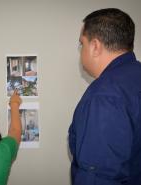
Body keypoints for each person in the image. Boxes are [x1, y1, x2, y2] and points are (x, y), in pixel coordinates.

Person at [69, 8, 141, 185]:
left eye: (82, 44)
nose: (81, 51)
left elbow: (97, 177)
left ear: (94, 46)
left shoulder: (103, 97)